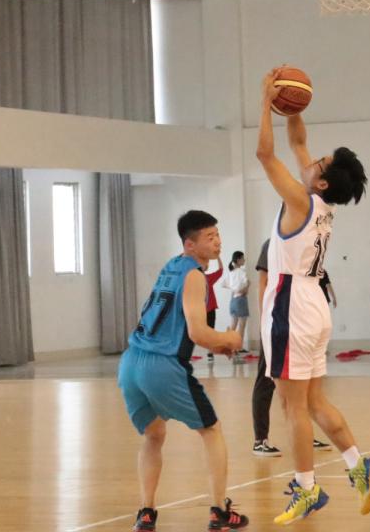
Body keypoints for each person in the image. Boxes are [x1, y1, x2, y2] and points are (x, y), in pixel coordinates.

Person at [256, 66, 370, 525]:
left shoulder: (301, 200)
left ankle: (307, 489)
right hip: (314, 305)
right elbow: (297, 142)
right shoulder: (322, 204)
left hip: (290, 304)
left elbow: (265, 153)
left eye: (319, 163)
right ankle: (358, 465)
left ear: (322, 181)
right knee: (313, 402)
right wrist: (291, 106)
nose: (310, 161)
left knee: (293, 407)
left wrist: (264, 101)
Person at [118, 210, 247, 532]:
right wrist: (229, 339)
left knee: (154, 435)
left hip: (131, 363)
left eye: (217, 234)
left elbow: (170, 320)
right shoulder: (194, 276)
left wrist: (215, 345)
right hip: (161, 366)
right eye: (209, 237)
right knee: (211, 430)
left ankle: (146, 513)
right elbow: (197, 332)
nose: (217, 242)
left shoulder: (171, 266)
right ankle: (219, 511)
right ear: (190, 245)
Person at [251, 238, 331, 458]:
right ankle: (260, 439)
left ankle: (304, 435)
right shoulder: (273, 243)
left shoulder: (308, 241)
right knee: (266, 381)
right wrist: (265, 321)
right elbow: (263, 282)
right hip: (277, 324)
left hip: (300, 324)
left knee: (303, 384)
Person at [226, 250, 250, 353]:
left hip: (233, 300)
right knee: (241, 325)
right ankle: (238, 347)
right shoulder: (241, 272)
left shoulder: (231, 273)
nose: (244, 260)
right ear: (238, 260)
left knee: (233, 325)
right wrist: (248, 285)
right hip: (241, 300)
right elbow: (245, 288)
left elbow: (228, 286)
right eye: (243, 258)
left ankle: (230, 346)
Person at [204, 258, 224, 360]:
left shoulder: (208, 278)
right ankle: (209, 351)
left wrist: (218, 258)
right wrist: (218, 258)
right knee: (208, 330)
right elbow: (220, 270)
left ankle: (210, 351)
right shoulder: (207, 278)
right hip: (203, 309)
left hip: (208, 308)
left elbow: (220, 271)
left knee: (209, 330)